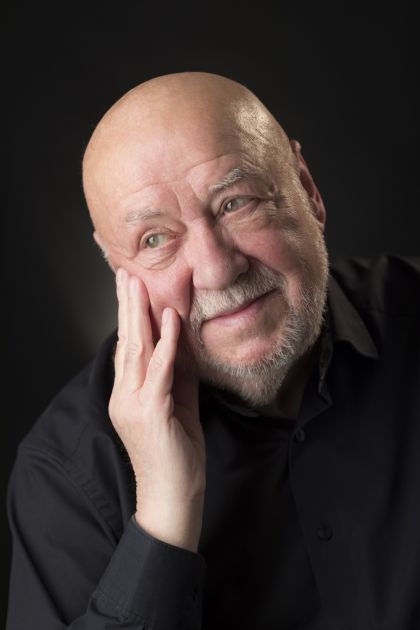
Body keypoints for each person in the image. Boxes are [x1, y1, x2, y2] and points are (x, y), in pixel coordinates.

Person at [6, 72, 420, 630]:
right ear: (116, 269)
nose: (218, 269)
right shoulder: (66, 471)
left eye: (235, 203)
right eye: (155, 239)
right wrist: (163, 515)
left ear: (307, 191)